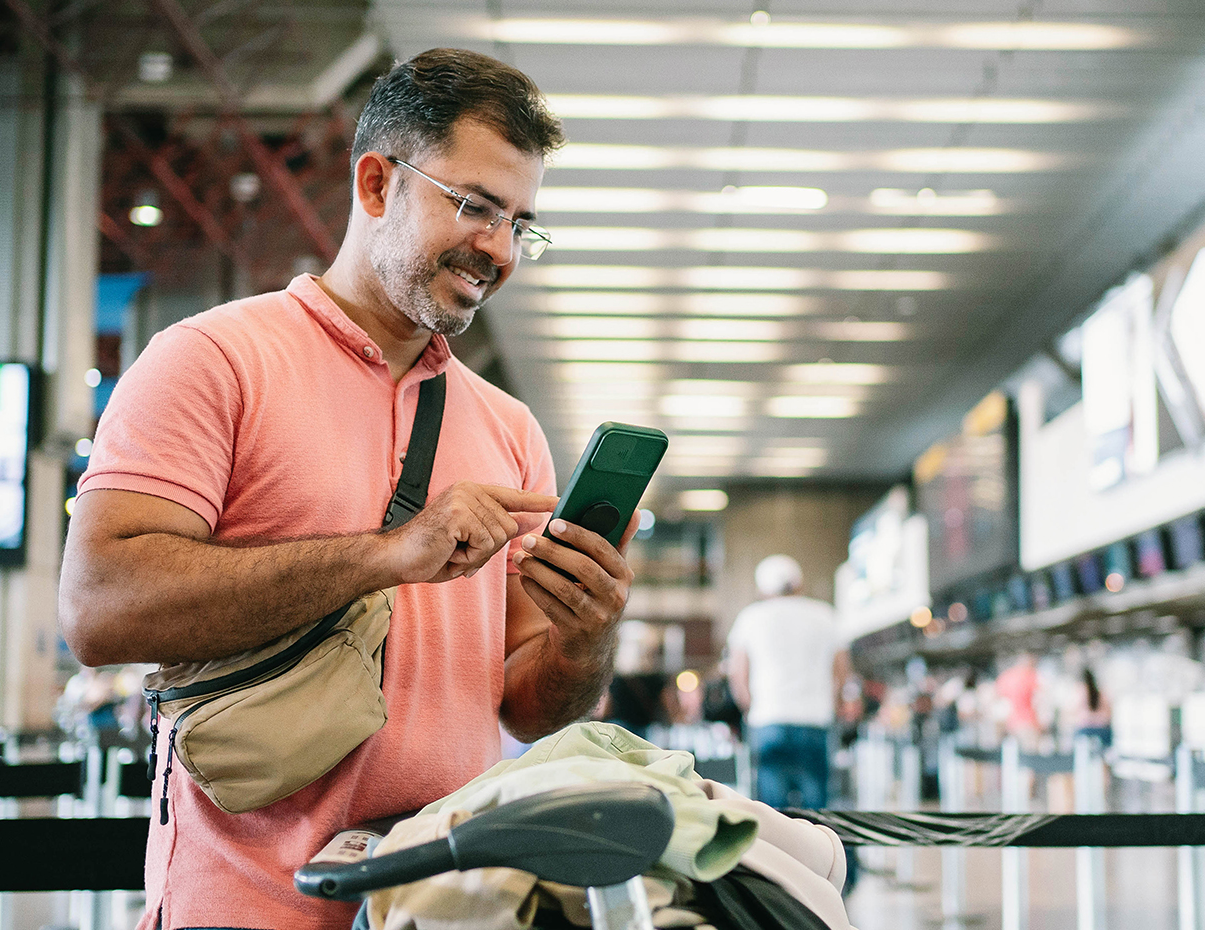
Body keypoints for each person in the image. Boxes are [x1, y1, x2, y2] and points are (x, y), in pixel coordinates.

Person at [58, 49, 639, 930]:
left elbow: (527, 702)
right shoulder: (214, 361)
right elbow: (99, 608)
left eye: (521, 222)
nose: (498, 249)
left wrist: (588, 638)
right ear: (376, 184)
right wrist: (385, 558)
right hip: (244, 904)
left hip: (443, 904)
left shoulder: (509, 429)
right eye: (475, 206)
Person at [726, 554, 841, 811]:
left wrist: (750, 708)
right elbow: (841, 672)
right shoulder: (825, 615)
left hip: (767, 721)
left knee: (772, 813)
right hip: (815, 720)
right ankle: (818, 853)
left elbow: (738, 675)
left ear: (762, 588)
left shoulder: (750, 617)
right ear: (799, 583)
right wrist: (834, 704)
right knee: (816, 811)